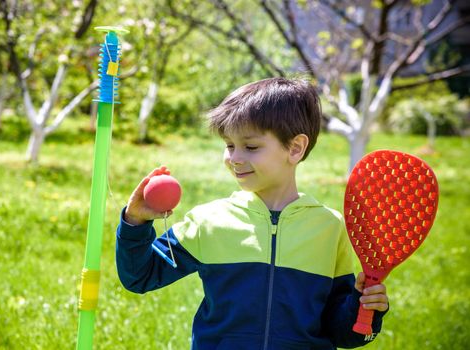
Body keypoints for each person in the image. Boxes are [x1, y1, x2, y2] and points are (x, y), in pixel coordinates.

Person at [116, 77, 389, 349]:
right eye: (229, 145)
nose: (234, 157)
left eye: (251, 147)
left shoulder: (329, 228)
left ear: (295, 148)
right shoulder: (208, 222)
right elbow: (140, 276)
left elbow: (344, 334)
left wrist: (363, 308)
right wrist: (136, 221)